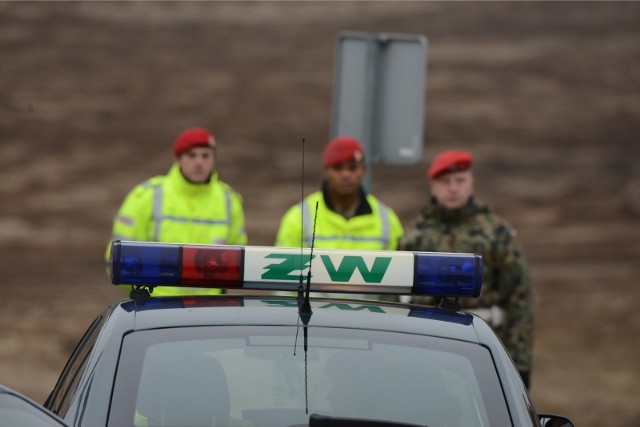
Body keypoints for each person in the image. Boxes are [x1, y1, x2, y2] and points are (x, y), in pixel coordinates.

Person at [399, 149, 534, 388]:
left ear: (471, 183)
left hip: (483, 349)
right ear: (432, 186)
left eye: (460, 180)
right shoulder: (414, 236)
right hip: (423, 351)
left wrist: (519, 366)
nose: (453, 188)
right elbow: (396, 297)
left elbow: (518, 299)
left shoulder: (496, 234)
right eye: (445, 181)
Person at [106, 127, 247, 296]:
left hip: (208, 308)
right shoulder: (146, 196)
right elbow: (118, 259)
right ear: (178, 158)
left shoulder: (230, 201)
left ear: (214, 159)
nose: (199, 162)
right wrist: (143, 295)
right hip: (155, 305)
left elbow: (238, 262)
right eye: (192, 155)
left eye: (205, 155)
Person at [275, 136, 403, 252]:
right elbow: (280, 273)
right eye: (337, 168)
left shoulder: (387, 220)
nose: (345, 175)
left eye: (352, 168)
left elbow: (401, 272)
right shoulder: (298, 218)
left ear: (363, 170)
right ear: (325, 171)